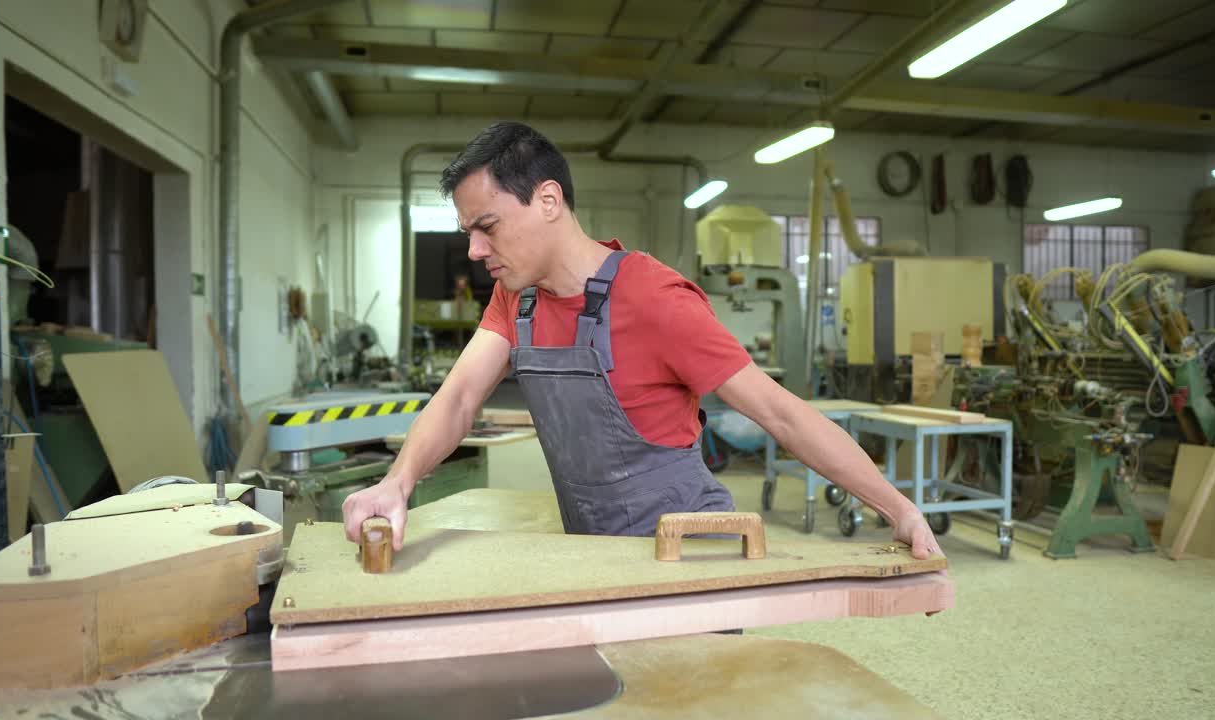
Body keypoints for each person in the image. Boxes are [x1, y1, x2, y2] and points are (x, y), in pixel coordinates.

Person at [343, 121, 943, 560]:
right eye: (468, 231)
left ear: (548, 200)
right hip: (595, 551)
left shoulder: (654, 297)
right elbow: (459, 400)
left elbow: (780, 414)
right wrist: (397, 482)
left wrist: (899, 508)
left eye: (487, 227)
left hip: (685, 552)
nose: (474, 250)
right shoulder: (516, 295)